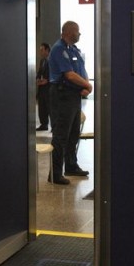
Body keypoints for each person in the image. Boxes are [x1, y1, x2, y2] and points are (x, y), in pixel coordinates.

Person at [48, 21, 93, 185]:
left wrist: (86, 86)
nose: (79, 34)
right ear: (68, 32)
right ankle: (55, 173)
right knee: (61, 135)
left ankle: (71, 166)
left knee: (73, 134)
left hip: (74, 96)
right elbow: (69, 75)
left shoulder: (73, 50)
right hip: (62, 95)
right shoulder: (59, 49)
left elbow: (81, 70)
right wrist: (87, 85)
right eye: (77, 31)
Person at [36, 43, 51, 131]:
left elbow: (54, 73)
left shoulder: (52, 60)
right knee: (42, 107)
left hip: (49, 88)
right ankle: (44, 124)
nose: (40, 52)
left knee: (50, 108)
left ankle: (54, 127)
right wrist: (38, 79)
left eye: (42, 50)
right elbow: (39, 72)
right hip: (42, 89)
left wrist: (47, 80)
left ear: (47, 50)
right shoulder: (42, 61)